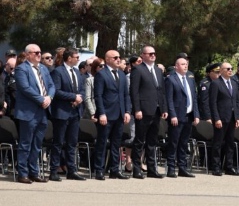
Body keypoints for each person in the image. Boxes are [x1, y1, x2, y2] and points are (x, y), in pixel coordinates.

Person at [14, 44, 56, 184]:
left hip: (43, 112)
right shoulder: (21, 69)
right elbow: (25, 88)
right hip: (28, 112)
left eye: (39, 52)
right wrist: (41, 99)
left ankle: (34, 172)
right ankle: (22, 173)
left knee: (37, 144)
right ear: (27, 55)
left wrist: (49, 97)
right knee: (25, 144)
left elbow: (51, 86)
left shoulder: (43, 68)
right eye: (35, 52)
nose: (39, 55)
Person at [129, 45, 168, 179]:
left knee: (152, 141)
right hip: (143, 110)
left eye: (154, 53)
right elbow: (134, 91)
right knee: (139, 141)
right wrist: (137, 109)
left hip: (156, 110)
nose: (153, 55)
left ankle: (152, 169)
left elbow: (161, 91)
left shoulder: (157, 70)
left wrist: (164, 108)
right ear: (143, 55)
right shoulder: (138, 69)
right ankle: (136, 169)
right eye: (150, 53)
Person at [93, 50, 132, 180]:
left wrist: (127, 111)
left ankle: (114, 169)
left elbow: (126, 95)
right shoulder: (101, 74)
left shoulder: (121, 74)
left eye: (119, 57)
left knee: (116, 143)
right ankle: (99, 170)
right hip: (106, 114)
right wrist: (101, 113)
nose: (118, 59)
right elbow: (98, 96)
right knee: (102, 142)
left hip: (119, 114)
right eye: (115, 57)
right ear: (108, 59)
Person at [49, 48, 86, 181]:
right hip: (62, 112)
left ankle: (71, 170)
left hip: (75, 112)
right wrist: (73, 97)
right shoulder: (58, 71)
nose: (78, 59)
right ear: (69, 58)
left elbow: (82, 89)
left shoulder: (77, 72)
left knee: (72, 143)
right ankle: (54, 170)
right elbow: (56, 91)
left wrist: (79, 99)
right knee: (58, 142)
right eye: (76, 57)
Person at [164, 57, 199, 178]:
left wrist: (196, 114)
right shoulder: (171, 79)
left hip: (188, 116)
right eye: (183, 64)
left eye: (186, 64)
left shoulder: (190, 79)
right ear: (176, 66)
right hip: (177, 116)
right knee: (173, 143)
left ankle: (182, 168)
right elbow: (169, 99)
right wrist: (172, 115)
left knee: (184, 143)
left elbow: (194, 98)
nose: (186, 66)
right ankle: (171, 168)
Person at [209, 62, 239, 176]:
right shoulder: (216, 83)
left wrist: (237, 117)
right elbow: (213, 103)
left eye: (231, 68)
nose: (230, 70)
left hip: (232, 117)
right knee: (218, 143)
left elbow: (236, 101)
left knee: (230, 143)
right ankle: (216, 167)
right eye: (228, 69)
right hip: (221, 118)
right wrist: (216, 118)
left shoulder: (234, 83)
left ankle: (229, 166)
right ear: (221, 70)